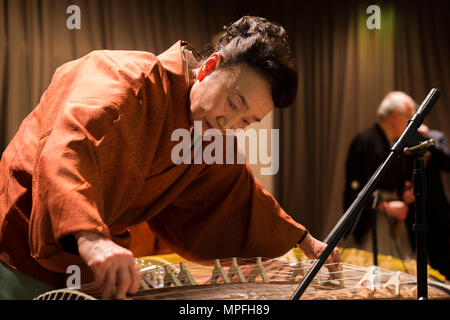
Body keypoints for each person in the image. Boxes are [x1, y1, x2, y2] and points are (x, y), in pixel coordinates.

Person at [0, 16, 341, 300]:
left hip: (93, 257)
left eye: (246, 121)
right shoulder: (125, 80)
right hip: (21, 236)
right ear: (209, 67)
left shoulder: (209, 134)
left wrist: (304, 240)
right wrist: (91, 238)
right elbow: (69, 148)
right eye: (235, 102)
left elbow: (238, 198)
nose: (228, 123)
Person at [343, 91, 417, 260]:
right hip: (373, 218)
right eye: (409, 116)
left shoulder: (399, 146)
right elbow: (354, 189)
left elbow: (402, 181)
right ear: (394, 116)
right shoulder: (364, 141)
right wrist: (387, 207)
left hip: (396, 219)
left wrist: (406, 193)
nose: (412, 122)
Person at [404, 125, 450, 280]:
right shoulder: (404, 137)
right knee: (412, 255)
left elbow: (447, 162)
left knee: (442, 256)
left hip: (436, 207)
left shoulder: (436, 136)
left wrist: (429, 142)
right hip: (411, 206)